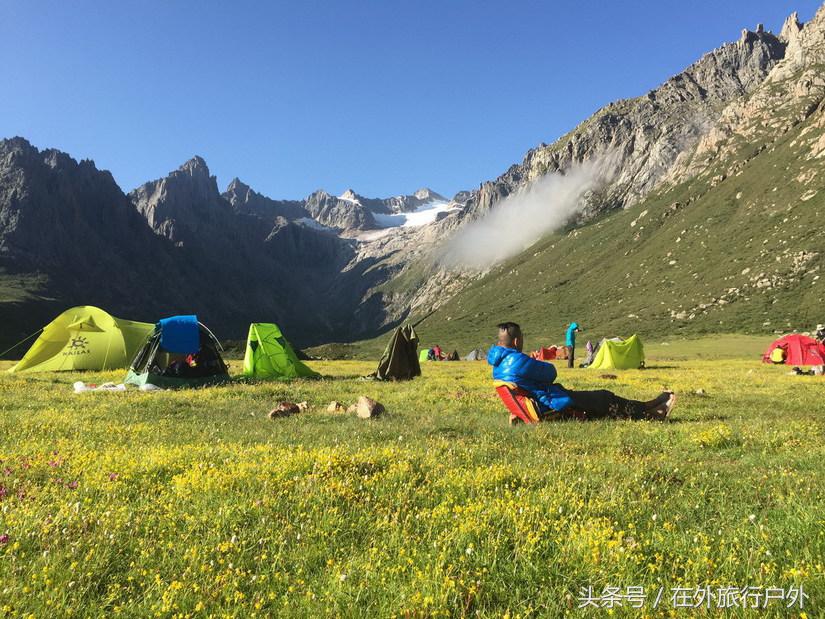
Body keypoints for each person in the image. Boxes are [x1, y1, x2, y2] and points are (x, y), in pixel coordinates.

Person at [489, 322, 674, 422]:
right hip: (551, 403)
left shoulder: (497, 365)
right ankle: (648, 412)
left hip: (542, 400)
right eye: (521, 338)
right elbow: (551, 373)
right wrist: (537, 360)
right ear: (515, 342)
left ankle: (646, 407)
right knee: (603, 397)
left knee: (596, 399)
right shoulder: (518, 360)